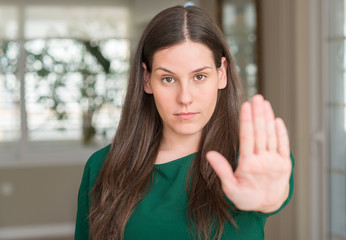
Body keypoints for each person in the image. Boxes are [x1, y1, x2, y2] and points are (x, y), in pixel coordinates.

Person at [74, 5, 294, 240]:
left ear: (221, 74)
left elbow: (275, 196)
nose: (185, 98)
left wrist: (271, 199)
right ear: (147, 80)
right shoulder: (101, 166)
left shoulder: (255, 160)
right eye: (168, 79)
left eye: (199, 76)